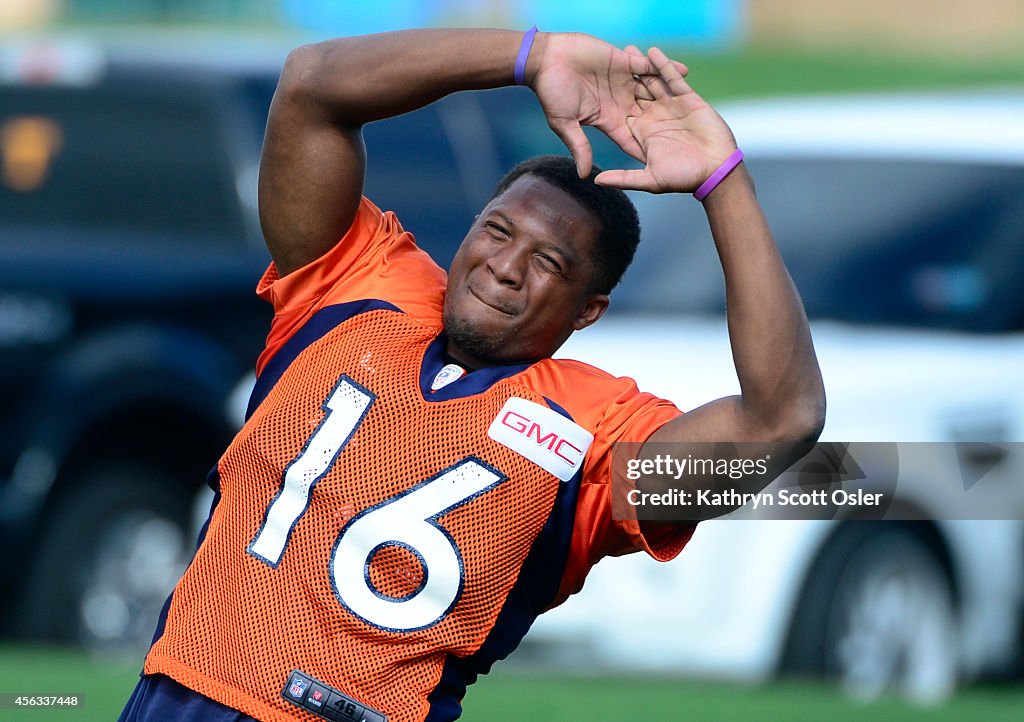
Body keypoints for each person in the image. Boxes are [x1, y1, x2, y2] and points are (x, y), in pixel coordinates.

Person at [120, 27, 824, 722]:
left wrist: (724, 182)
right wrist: (531, 56)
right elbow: (311, 85)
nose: (506, 266)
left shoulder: (593, 432)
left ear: (589, 310)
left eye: (549, 263)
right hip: (178, 695)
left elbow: (781, 419)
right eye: (497, 230)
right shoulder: (357, 285)